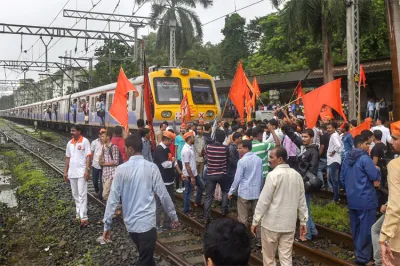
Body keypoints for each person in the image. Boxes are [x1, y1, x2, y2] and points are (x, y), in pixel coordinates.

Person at [102, 134, 179, 266]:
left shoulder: (120, 170)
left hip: (131, 225)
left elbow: (112, 200)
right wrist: (173, 216)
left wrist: (107, 225)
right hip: (147, 225)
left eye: (125, 148)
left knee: (146, 258)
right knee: (145, 259)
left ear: (131, 149)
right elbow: (164, 195)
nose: (124, 151)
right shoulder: (151, 168)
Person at [251, 147, 308, 266]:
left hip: (271, 224)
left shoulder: (273, 175)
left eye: (271, 157)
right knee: (286, 257)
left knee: (269, 258)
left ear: (280, 159)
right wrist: (303, 221)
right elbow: (302, 201)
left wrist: (256, 220)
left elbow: (263, 201)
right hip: (289, 224)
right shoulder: (297, 176)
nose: (269, 159)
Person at [340, 135, 381, 265]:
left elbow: (342, 178)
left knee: (356, 228)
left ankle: (359, 254)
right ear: (360, 145)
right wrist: (378, 170)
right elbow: (374, 176)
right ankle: (363, 258)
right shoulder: (364, 158)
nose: (369, 147)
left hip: (352, 199)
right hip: (366, 199)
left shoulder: (346, 158)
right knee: (367, 229)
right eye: (367, 144)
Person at [286, 128, 319, 242]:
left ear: (311, 138)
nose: (304, 139)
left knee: (304, 210)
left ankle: (307, 234)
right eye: (303, 136)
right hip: (301, 182)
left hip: (304, 184)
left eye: (306, 137)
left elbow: (312, 170)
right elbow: (295, 139)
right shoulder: (307, 148)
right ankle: (313, 231)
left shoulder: (312, 151)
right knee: (305, 208)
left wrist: (301, 181)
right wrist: (286, 128)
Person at [154, 131, 184, 231]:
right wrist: (172, 161)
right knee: (159, 204)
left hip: (169, 181)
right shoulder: (159, 149)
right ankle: (157, 225)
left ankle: (167, 223)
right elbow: (165, 164)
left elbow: (173, 162)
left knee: (169, 203)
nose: (172, 142)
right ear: (165, 140)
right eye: (171, 140)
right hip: (162, 181)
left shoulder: (167, 149)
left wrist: (180, 173)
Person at [379, 121, 400, 266]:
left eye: (395, 138)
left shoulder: (395, 165)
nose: (391, 141)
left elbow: (396, 204)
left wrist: (385, 237)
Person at [228, 140, 263, 224]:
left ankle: (243, 235)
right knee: (257, 216)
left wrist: (231, 191)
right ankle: (258, 236)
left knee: (243, 217)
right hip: (256, 191)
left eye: (240, 148)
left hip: (244, 192)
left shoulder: (242, 161)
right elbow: (261, 176)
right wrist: (260, 188)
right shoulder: (259, 160)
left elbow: (237, 178)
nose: (238, 150)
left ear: (246, 148)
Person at [64, 125, 91, 227]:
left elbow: (88, 156)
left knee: (82, 195)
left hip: (81, 173)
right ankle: (78, 214)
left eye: (74, 131)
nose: (72, 132)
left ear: (79, 131)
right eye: (71, 131)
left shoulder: (85, 141)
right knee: (75, 195)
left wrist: (87, 170)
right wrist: (65, 172)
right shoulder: (69, 143)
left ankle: (84, 217)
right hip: (72, 173)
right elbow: (67, 158)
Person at [204, 130, 230, 224]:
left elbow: (206, 157)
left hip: (210, 174)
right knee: (225, 192)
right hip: (222, 174)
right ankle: (223, 211)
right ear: (223, 138)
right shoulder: (225, 148)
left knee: (208, 196)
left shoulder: (208, 147)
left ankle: (206, 217)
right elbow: (227, 159)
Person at [181, 131, 205, 215]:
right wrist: (192, 177)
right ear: (189, 138)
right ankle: (186, 209)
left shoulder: (190, 147)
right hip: (189, 175)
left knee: (202, 186)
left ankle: (197, 201)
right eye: (193, 137)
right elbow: (187, 165)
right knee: (188, 193)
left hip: (194, 173)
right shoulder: (186, 150)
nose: (194, 138)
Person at [99, 129, 120, 201]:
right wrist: (101, 158)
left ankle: (115, 208)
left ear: (108, 137)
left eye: (103, 136)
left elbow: (116, 162)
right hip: (105, 174)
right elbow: (100, 161)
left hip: (111, 174)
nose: (101, 138)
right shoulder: (103, 148)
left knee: (105, 195)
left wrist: (104, 164)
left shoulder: (114, 147)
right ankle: (113, 209)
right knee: (110, 194)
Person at [371, 130, 388, 207]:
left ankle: (377, 208)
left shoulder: (375, 148)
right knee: (383, 190)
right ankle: (383, 205)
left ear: (374, 137)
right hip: (385, 170)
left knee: (378, 190)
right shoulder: (384, 146)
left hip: (378, 172)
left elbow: (374, 163)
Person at [327, 121, 343, 203]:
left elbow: (338, 146)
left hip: (334, 160)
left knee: (334, 180)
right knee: (332, 179)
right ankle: (336, 197)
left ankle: (336, 198)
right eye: (327, 128)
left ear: (334, 128)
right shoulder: (335, 135)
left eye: (329, 128)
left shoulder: (334, 136)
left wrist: (333, 151)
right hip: (334, 160)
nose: (328, 129)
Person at [90, 128, 106, 200]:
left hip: (104, 165)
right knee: (95, 181)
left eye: (104, 134)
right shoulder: (94, 142)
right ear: (99, 135)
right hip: (95, 164)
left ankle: (100, 194)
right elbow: (91, 153)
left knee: (102, 180)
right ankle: (97, 190)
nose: (102, 136)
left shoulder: (107, 143)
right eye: (101, 134)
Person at [318, 124, 331, 190]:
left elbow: (322, 147)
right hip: (330, 156)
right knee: (328, 171)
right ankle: (329, 186)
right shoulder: (330, 135)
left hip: (323, 156)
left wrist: (318, 155)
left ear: (322, 129)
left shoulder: (324, 136)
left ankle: (322, 184)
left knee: (318, 169)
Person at [174, 124, 186, 193]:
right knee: (178, 173)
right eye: (182, 128)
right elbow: (176, 147)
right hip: (179, 157)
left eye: (184, 128)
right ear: (180, 129)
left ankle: (183, 186)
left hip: (185, 157)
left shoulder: (186, 136)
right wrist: (175, 157)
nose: (183, 129)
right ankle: (177, 187)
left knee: (184, 172)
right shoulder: (177, 137)